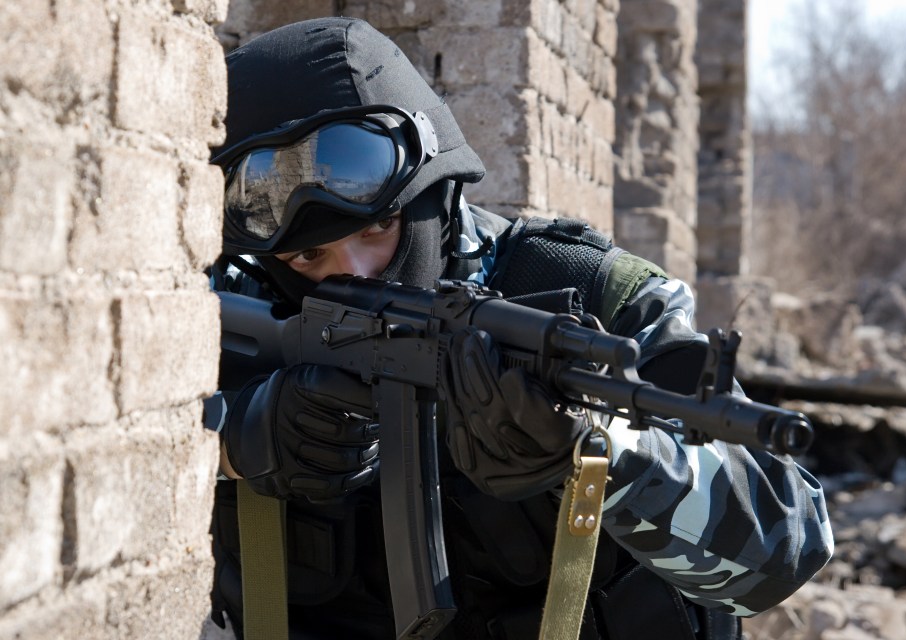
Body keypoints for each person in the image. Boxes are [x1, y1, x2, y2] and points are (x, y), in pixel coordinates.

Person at [204, 16, 833, 640]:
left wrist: (602, 452)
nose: (358, 274)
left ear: (432, 192)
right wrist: (236, 443)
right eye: (308, 259)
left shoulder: (595, 296)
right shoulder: (226, 305)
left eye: (378, 229)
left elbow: (789, 547)